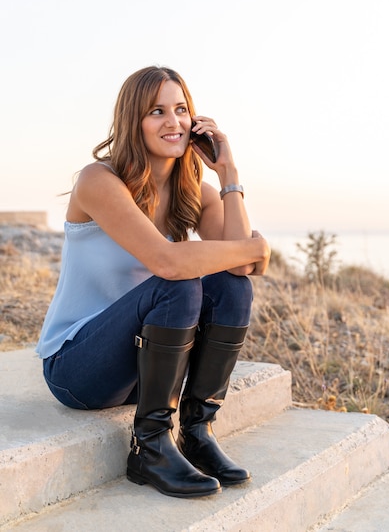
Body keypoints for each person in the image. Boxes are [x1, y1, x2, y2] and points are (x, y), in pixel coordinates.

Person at [36, 66, 271, 499]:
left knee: (230, 287)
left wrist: (228, 172)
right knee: (177, 279)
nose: (173, 122)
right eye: (156, 111)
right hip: (77, 366)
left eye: (181, 110)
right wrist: (254, 250)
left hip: (142, 367)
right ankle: (149, 447)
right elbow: (169, 260)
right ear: (133, 121)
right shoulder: (98, 181)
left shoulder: (193, 190)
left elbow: (237, 270)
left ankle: (197, 432)